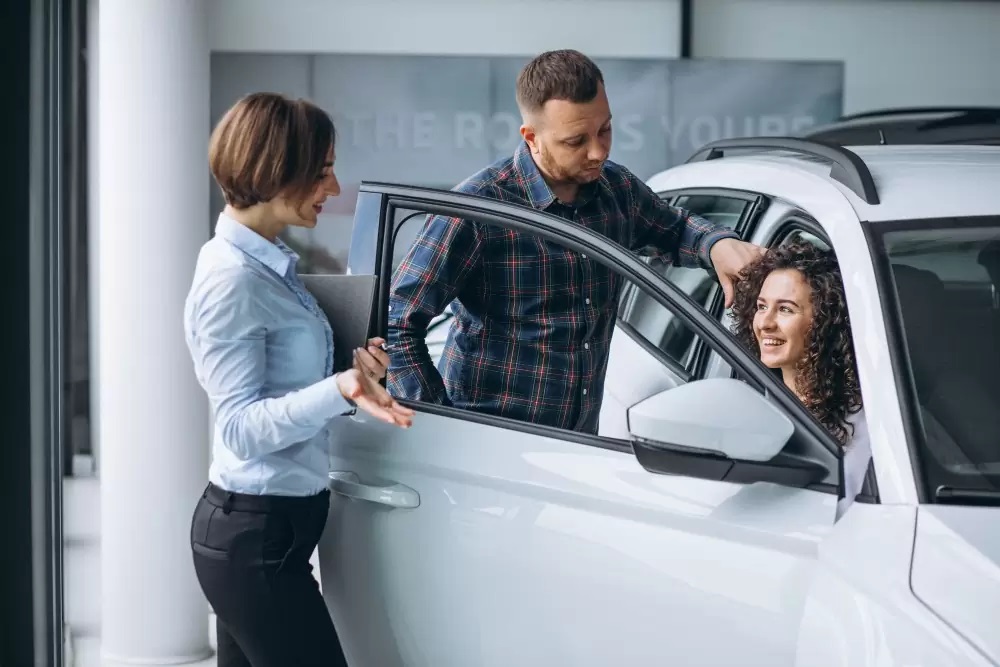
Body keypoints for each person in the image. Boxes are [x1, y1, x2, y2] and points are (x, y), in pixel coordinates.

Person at [387, 49, 762, 435]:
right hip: (487, 443)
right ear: (531, 138)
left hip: (579, 447)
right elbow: (395, 322)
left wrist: (717, 245)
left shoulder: (617, 191)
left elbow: (676, 230)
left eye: (605, 130)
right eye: (575, 140)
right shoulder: (479, 209)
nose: (598, 151)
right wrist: (440, 424)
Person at [184, 92, 414, 667]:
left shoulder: (269, 265)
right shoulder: (232, 280)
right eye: (323, 173)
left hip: (270, 536)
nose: (334, 190)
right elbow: (238, 428)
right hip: (254, 541)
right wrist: (339, 390)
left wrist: (352, 374)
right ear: (274, 170)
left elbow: (285, 386)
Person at [729, 242, 869, 518]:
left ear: (825, 322)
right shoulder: (754, 403)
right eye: (761, 306)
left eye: (785, 309)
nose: (764, 323)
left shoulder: (862, 424)